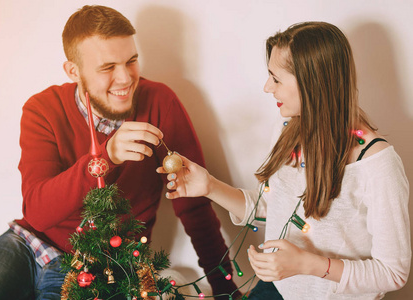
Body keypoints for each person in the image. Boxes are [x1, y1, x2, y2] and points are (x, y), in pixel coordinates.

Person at [0, 5, 239, 300]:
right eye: (108, 68)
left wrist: (225, 287)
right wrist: (105, 158)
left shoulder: (160, 103)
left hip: (101, 267)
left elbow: (193, 205)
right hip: (30, 245)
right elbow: (38, 212)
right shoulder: (42, 109)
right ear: (73, 71)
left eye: (131, 61)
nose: (125, 78)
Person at [161, 21, 411, 299]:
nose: (267, 87)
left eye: (276, 78)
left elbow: (393, 273)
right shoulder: (288, 131)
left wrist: (307, 264)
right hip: (276, 288)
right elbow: (273, 207)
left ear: (313, 83)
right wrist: (209, 187)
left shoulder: (376, 164)